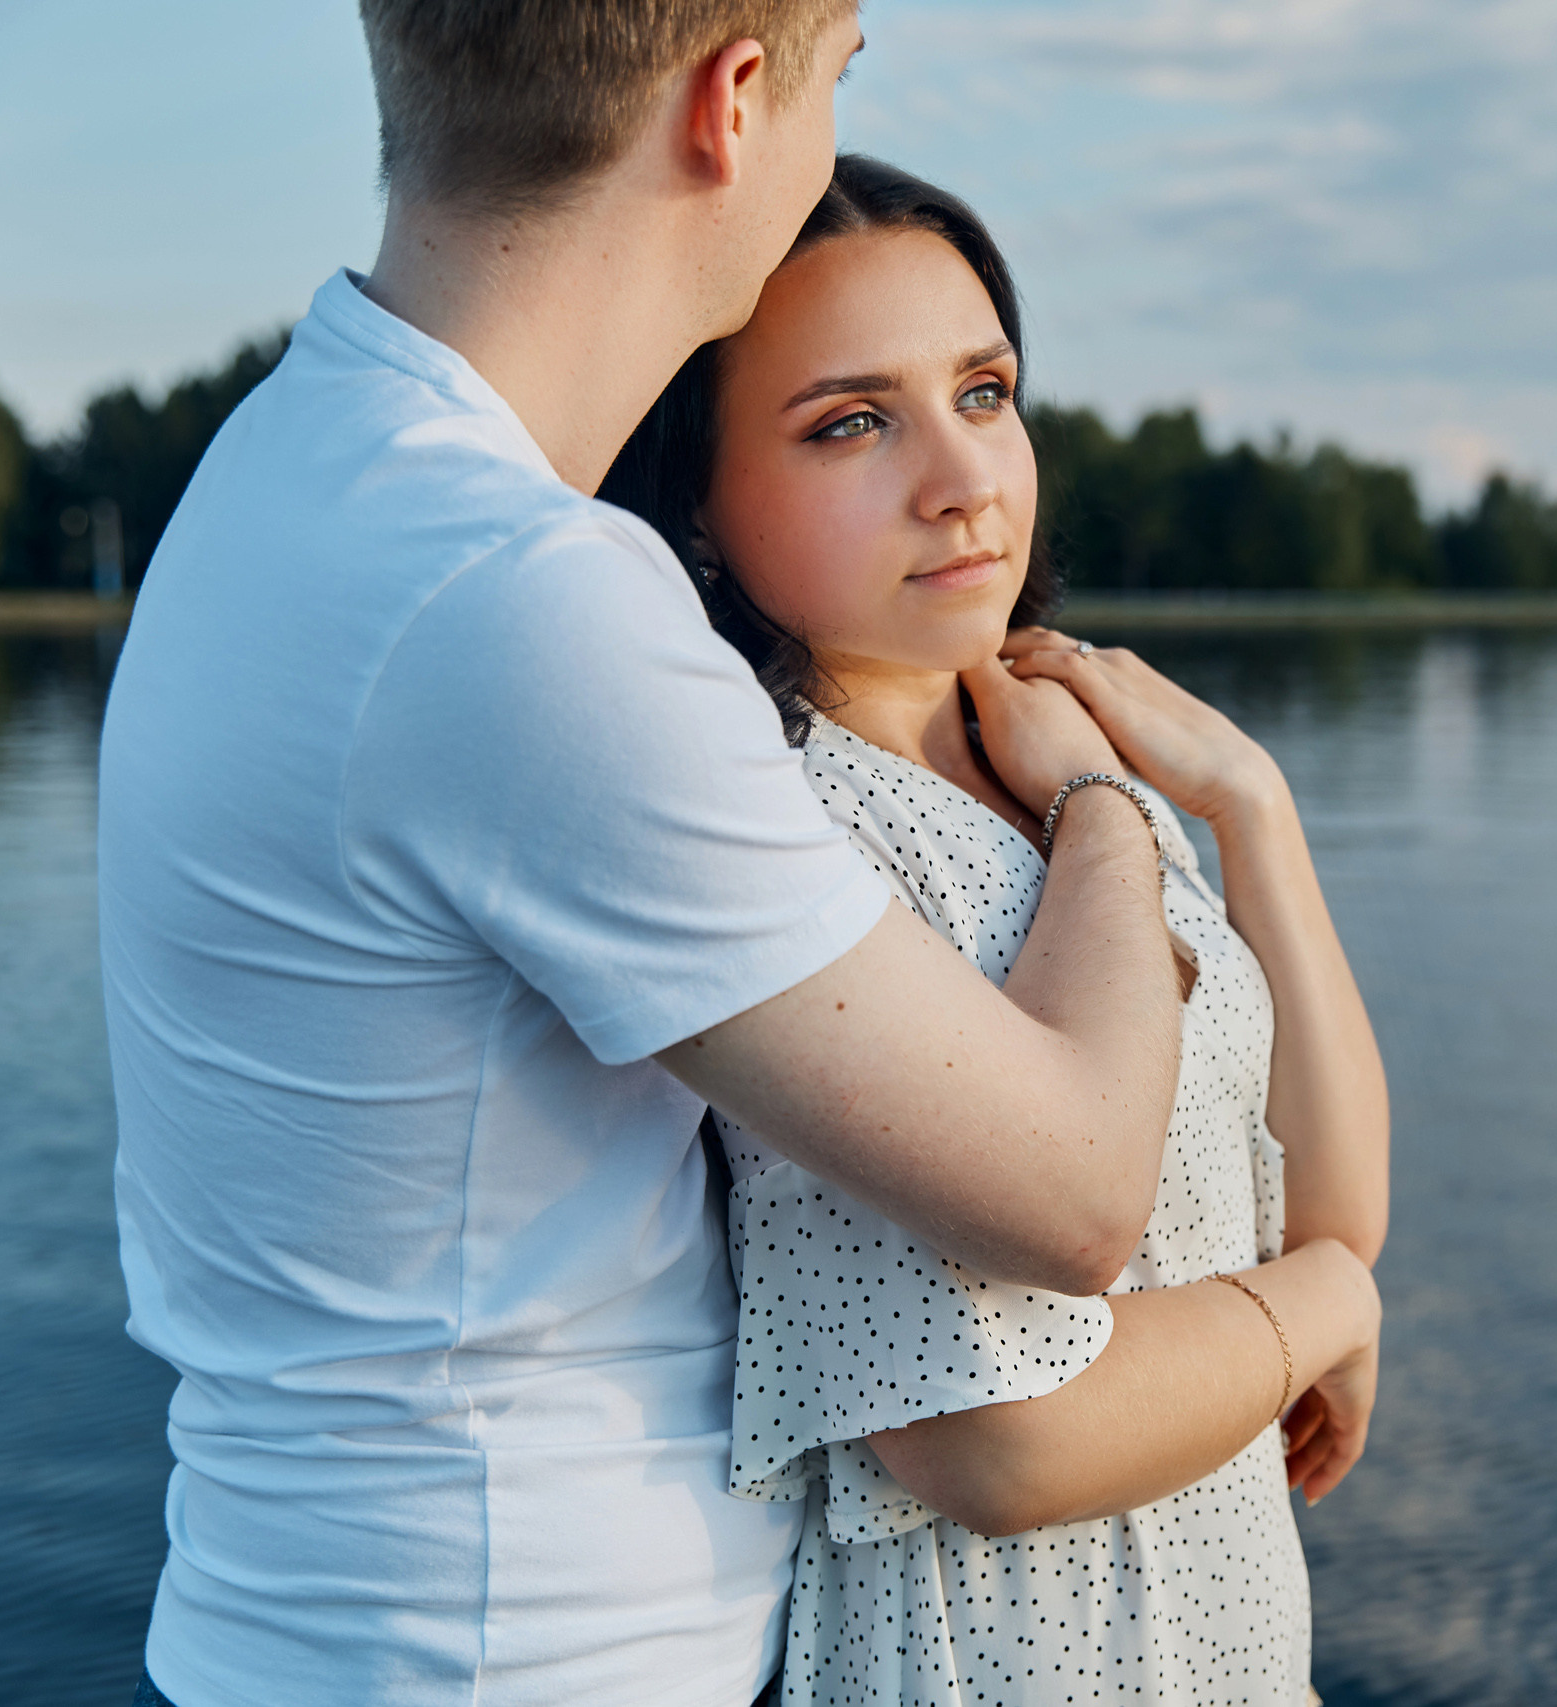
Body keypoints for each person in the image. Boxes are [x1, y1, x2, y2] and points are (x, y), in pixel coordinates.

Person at [100, 6, 1202, 1705]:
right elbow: (1072, 1190)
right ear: (735, 103)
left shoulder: (292, 468)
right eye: (844, 69)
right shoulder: (515, 594)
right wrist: (1109, 809)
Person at [600, 155, 1392, 1706]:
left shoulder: (1066, 758)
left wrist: (1252, 811)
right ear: (697, 496)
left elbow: (1327, 1211)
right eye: (851, 422)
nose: (962, 478)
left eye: (984, 391)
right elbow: (989, 1442)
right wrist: (1334, 1313)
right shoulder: (787, 840)